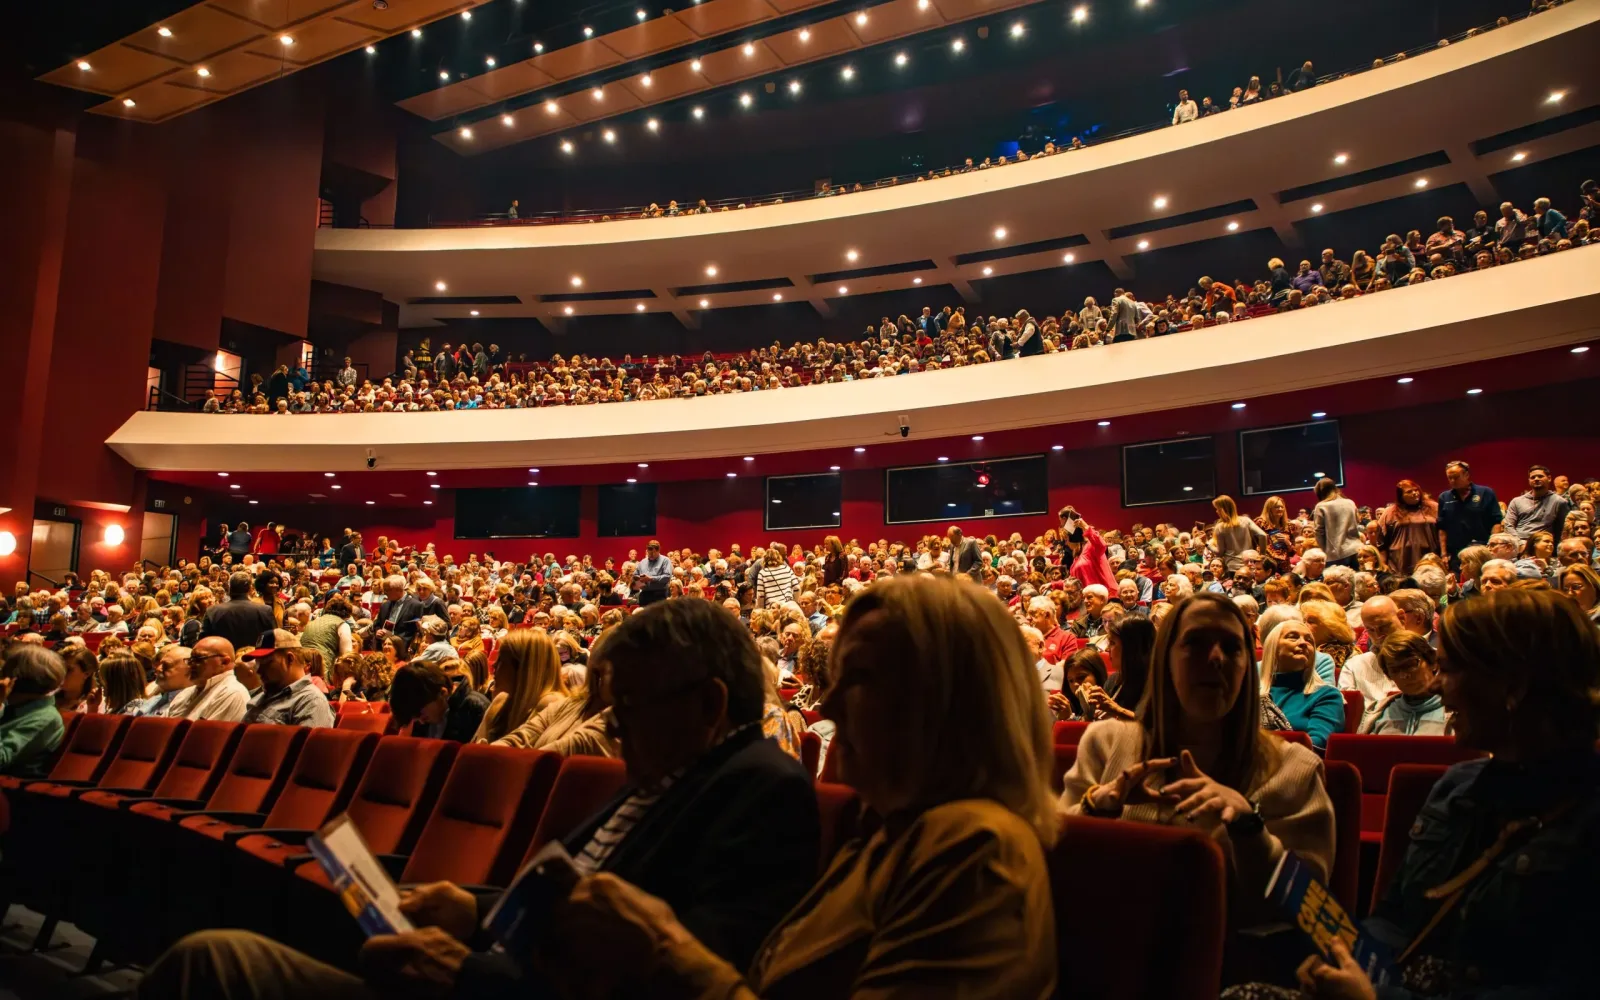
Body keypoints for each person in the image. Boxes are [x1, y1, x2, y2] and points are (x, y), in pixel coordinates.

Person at [144, 596, 828, 1000]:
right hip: (483, 970)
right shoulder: (662, 779)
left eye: (630, 713)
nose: (616, 733)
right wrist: (471, 906)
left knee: (214, 964)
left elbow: (659, 974)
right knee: (211, 959)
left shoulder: (761, 791)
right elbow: (565, 898)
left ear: (708, 706)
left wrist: (468, 972)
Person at [1293, 589, 1599, 999]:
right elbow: (1395, 919)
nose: (1437, 687)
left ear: (1515, 686)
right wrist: (1343, 954)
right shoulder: (1457, 787)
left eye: (1451, 670)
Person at [1062, 592, 1334, 926]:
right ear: (1165, 661)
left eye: (1233, 647)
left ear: (1248, 666)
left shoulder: (1296, 767)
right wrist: (1094, 807)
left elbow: (1313, 908)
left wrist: (1249, 827)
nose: (1216, 657)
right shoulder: (1104, 743)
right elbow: (1055, 862)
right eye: (1195, 643)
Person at [1260, 620, 1346, 749]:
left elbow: (1318, 744)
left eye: (1309, 640)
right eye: (1293, 637)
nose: (1303, 643)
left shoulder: (1326, 695)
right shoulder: (1249, 694)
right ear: (1273, 646)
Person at [471, 628, 567, 743]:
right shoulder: (501, 701)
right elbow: (473, 750)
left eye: (501, 660)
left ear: (524, 668)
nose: (495, 665)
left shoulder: (551, 704)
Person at [1359, 631, 1450, 735]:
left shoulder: (1458, 712)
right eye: (1394, 670)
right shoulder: (1378, 713)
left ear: (1433, 662)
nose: (1403, 675)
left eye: (1410, 665)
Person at [241, 630, 334, 728]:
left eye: (267, 662)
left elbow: (308, 743)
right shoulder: (264, 695)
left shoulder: (311, 701)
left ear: (290, 659)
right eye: (258, 663)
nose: (259, 670)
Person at [0, 644, 67, 778]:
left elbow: (2, 759)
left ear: (13, 680)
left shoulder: (45, 718)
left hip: (12, 791)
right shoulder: (10, 707)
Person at [1337, 596, 1401, 726]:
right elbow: (1348, 716)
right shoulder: (1354, 665)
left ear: (1402, 618)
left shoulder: (1430, 660)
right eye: (1371, 630)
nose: (1378, 635)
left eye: (1384, 626)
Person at [389, 660, 488, 742]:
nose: (421, 721)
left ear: (442, 693)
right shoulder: (419, 709)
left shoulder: (475, 708)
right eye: (415, 717)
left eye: (422, 714)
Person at [1437, 459, 1501, 567]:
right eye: (1449, 478)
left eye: (1456, 477)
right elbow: (1442, 527)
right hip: (1456, 553)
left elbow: (1496, 521)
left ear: (1466, 475)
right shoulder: (1444, 497)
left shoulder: (1486, 492)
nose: (1452, 481)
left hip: (1482, 549)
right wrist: (1443, 554)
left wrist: (1493, 546)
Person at [169, 636, 250, 722]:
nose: (190, 664)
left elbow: (206, 734)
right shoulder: (186, 693)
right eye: (191, 659)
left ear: (224, 662)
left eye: (198, 659)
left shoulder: (232, 693)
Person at [1375, 479, 1440, 575]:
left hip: (1429, 559)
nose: (1414, 493)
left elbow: (1444, 533)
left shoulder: (1433, 508)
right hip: (1399, 563)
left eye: (1416, 490)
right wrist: (1383, 564)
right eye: (1409, 492)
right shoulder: (1390, 513)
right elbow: (1381, 543)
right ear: (1401, 496)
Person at [200, 572, 275, 651]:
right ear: (250, 588)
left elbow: (203, 643)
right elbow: (273, 640)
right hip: (254, 659)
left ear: (230, 587)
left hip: (224, 659)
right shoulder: (265, 610)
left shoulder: (213, 611)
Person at [1503, 463, 1570, 541]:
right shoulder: (1516, 501)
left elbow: (1563, 529)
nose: (1536, 479)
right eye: (1532, 477)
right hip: (1518, 541)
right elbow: (1508, 525)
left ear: (1549, 478)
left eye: (1540, 476)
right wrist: (1519, 543)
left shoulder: (1559, 501)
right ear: (1529, 481)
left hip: (1543, 542)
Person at [127, 645, 193, 717]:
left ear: (189, 670)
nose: (158, 669)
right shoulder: (156, 698)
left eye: (166, 666)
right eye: (160, 664)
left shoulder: (191, 704)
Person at [1313, 478, 1362, 569]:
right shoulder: (1350, 502)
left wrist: (1326, 551)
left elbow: (1318, 532)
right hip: (1356, 548)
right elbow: (1357, 522)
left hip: (1335, 553)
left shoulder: (1321, 506)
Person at [1213, 495, 1267, 573]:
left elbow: (1220, 552)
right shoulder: (1246, 521)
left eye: (1217, 509)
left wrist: (1208, 545)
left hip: (1233, 567)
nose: (1216, 511)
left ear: (1222, 510)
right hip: (1249, 565)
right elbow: (1263, 535)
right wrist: (1262, 555)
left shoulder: (1220, 527)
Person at [298, 595, 354, 665]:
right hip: (323, 667)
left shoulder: (313, 622)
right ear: (346, 615)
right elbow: (346, 655)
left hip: (301, 665)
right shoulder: (343, 625)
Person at [635, 539, 674, 606]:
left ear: (658, 550)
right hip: (644, 594)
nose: (650, 555)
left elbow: (667, 577)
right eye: (649, 553)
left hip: (659, 595)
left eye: (653, 553)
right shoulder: (642, 562)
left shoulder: (665, 560)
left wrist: (650, 579)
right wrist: (640, 582)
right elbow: (635, 575)